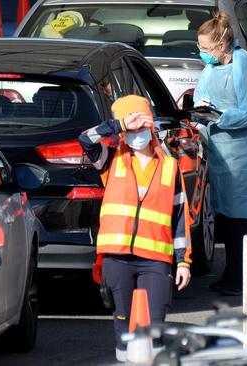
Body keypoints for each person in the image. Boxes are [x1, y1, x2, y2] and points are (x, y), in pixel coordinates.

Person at [78, 95, 192, 362]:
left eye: (140, 126)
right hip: (117, 258)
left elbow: (179, 218)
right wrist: (118, 124)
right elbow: (85, 138)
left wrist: (183, 261)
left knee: (155, 326)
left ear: (150, 126)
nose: (136, 133)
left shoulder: (169, 166)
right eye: (131, 128)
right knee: (124, 323)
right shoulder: (111, 160)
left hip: (155, 260)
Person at [194, 11, 247, 296]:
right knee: (224, 213)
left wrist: (219, 117)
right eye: (199, 47)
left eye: (205, 48)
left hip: (245, 149)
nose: (202, 53)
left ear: (222, 45)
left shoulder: (246, 65)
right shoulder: (210, 69)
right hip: (219, 148)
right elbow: (200, 97)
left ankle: (241, 275)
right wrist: (201, 111)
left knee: (240, 214)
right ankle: (232, 272)